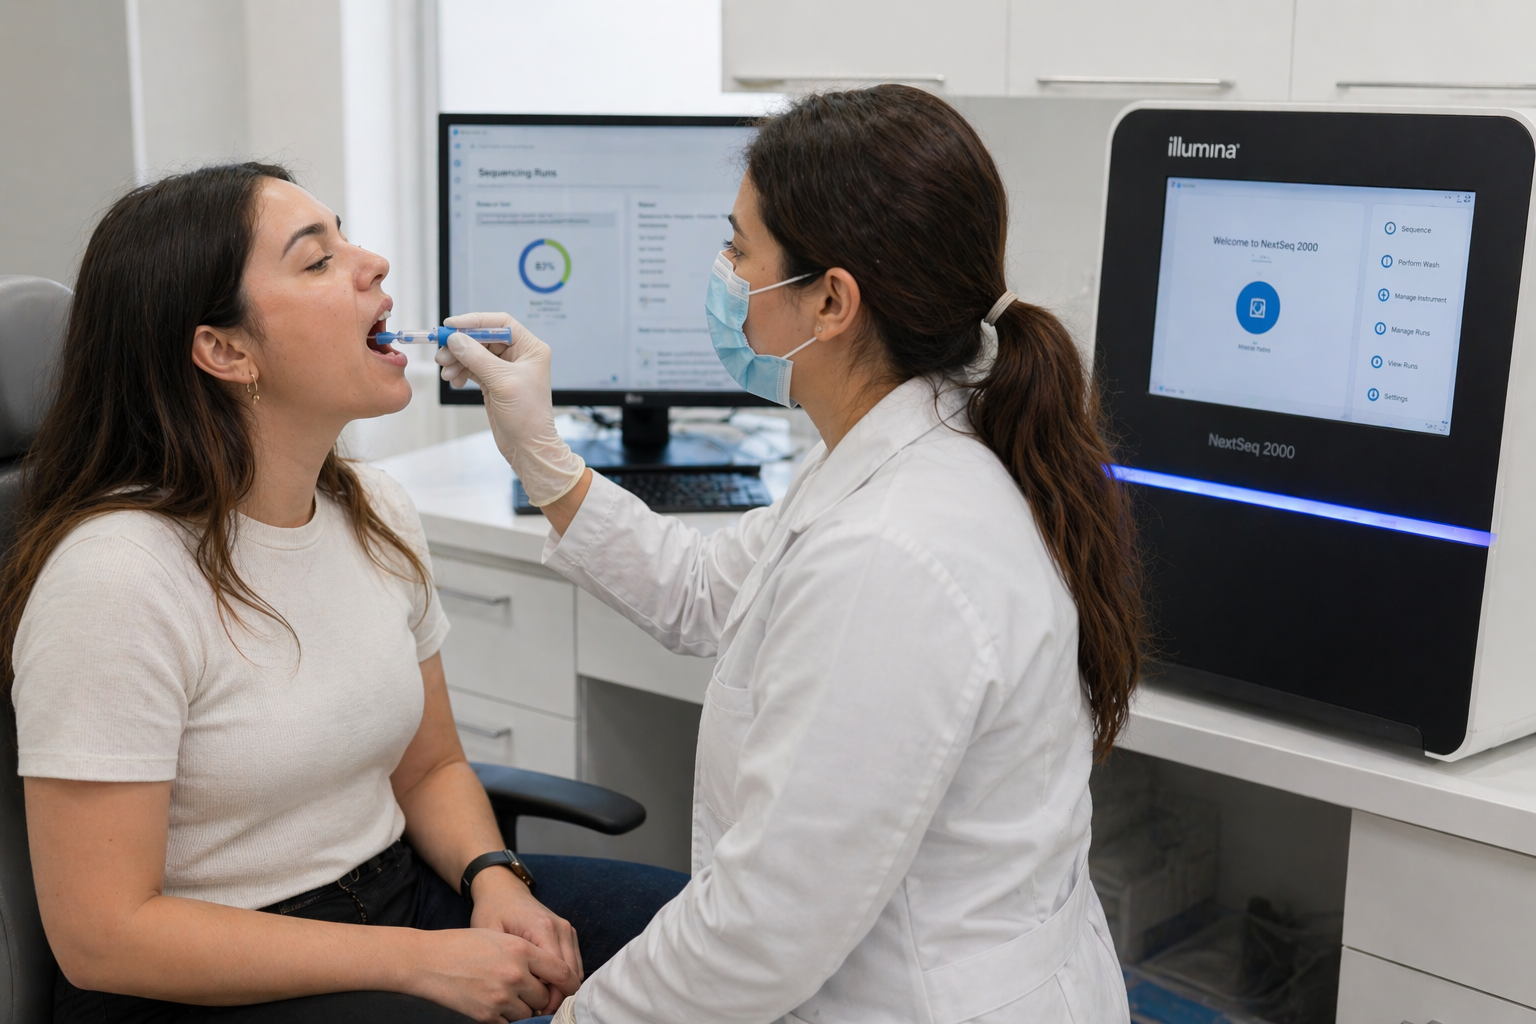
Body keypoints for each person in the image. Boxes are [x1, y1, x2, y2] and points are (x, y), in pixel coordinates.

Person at [435, 85, 1144, 1023]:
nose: (722, 273)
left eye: (738, 250)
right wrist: (540, 448)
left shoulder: (892, 553)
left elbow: (762, 931)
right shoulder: (905, 442)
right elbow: (704, 590)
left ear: (832, 301)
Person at [0, 163, 685, 1024]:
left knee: (720, 944)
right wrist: (421, 962)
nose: (374, 265)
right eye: (316, 260)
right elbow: (104, 935)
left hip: (400, 897)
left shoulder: (373, 509)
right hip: (208, 980)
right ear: (225, 349)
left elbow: (430, 766)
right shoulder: (116, 577)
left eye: (347, 238)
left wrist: (492, 876)